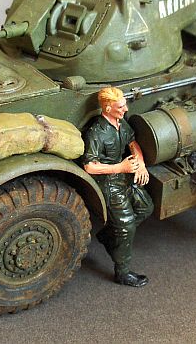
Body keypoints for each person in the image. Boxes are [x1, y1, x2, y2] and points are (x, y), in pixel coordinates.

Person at [83, 87, 154, 286]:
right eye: (121, 106)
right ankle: (122, 272)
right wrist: (119, 167)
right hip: (107, 182)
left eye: (124, 104)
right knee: (126, 225)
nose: (126, 109)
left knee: (145, 207)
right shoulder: (96, 132)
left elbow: (132, 143)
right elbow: (89, 166)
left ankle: (109, 235)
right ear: (107, 108)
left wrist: (140, 163)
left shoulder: (121, 123)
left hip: (124, 176)